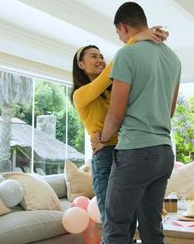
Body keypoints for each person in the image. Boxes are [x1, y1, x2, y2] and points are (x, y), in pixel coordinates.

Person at [94, 1, 181, 244]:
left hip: (135, 152)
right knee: (152, 227)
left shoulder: (127, 54)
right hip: (164, 153)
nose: (121, 39)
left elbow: (115, 114)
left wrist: (101, 139)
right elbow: (169, 111)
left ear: (123, 27)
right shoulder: (173, 59)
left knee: (116, 227)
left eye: (118, 34)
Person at [71, 27, 168, 243]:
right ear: (80, 65)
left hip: (127, 152)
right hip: (105, 157)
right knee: (113, 223)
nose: (100, 59)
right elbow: (106, 77)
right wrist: (135, 39)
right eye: (93, 56)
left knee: (128, 222)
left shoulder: (112, 90)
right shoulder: (80, 95)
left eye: (101, 56)